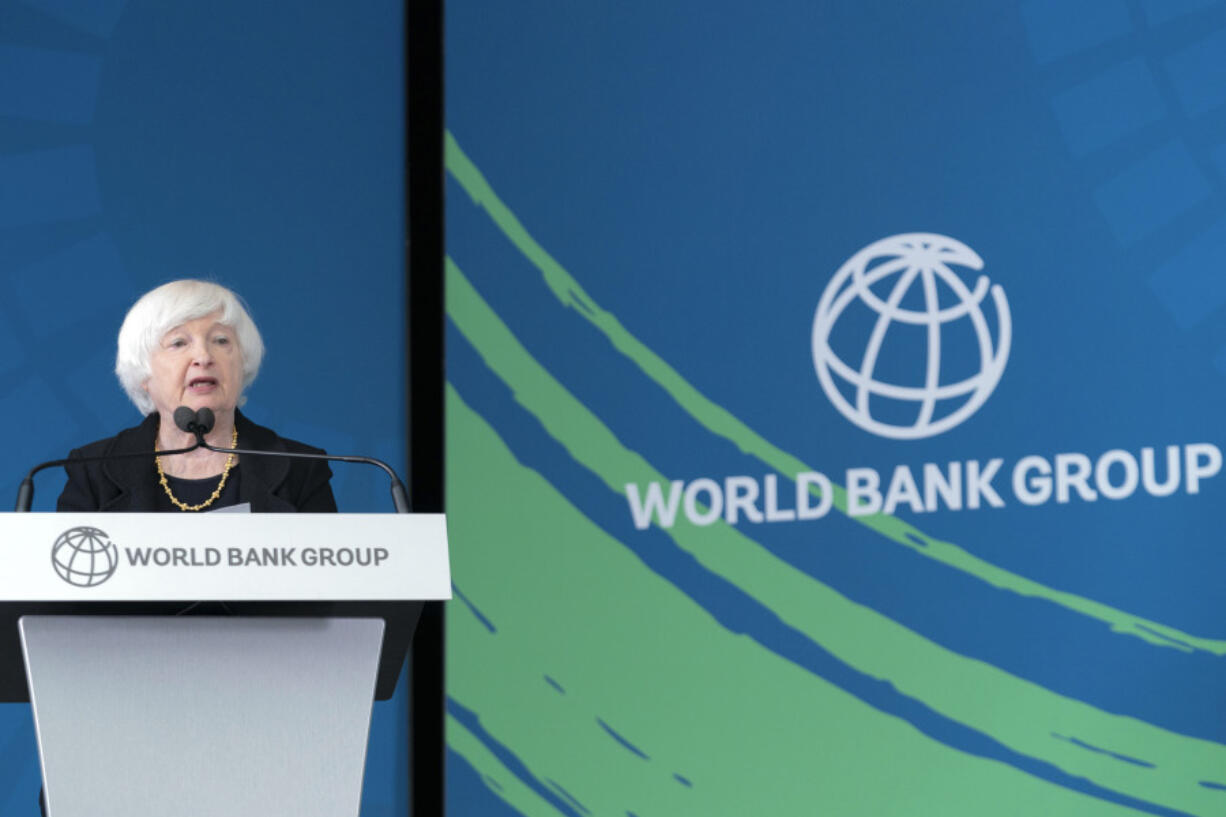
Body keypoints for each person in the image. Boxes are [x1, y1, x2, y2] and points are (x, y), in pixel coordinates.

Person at [56, 279, 337, 512]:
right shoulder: (93, 471)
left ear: (243, 361)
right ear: (143, 373)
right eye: (178, 343)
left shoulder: (301, 468)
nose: (203, 356)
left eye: (221, 341)